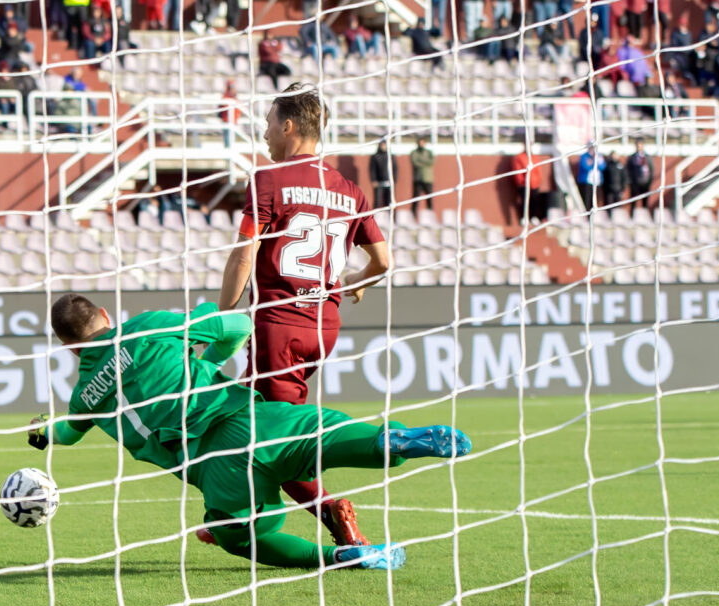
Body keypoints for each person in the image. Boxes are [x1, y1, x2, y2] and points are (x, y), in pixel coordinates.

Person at [30, 294, 473, 570]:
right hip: (246, 417)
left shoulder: (85, 397)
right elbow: (238, 325)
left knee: (240, 537)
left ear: (67, 346)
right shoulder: (149, 327)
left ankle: (341, 556)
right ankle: (392, 440)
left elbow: (68, 433)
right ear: (105, 314)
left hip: (213, 467)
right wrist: (212, 359)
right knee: (325, 435)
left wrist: (45, 432)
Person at [218, 83, 391, 548]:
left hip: (279, 324)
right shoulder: (348, 190)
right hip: (323, 325)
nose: (265, 131)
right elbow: (383, 260)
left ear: (290, 126)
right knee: (243, 420)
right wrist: (348, 287)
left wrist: (219, 319)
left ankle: (334, 512)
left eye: (271, 122)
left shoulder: (267, 181)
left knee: (273, 439)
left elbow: (242, 256)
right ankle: (236, 516)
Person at [512, 146, 542, 223]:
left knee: (534, 201)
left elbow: (538, 170)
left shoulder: (534, 157)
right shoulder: (519, 157)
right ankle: (524, 217)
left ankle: (534, 217)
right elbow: (518, 171)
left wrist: (537, 181)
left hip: (534, 184)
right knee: (525, 201)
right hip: (524, 184)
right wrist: (521, 182)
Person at [626, 139, 654, 210]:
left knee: (645, 201)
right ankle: (632, 216)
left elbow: (651, 169)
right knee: (633, 201)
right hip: (635, 182)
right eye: (638, 145)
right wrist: (631, 181)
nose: (639, 147)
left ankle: (645, 216)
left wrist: (649, 181)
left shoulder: (647, 157)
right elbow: (628, 170)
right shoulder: (632, 157)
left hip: (645, 182)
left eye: (640, 145)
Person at [577, 144, 606, 210]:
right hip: (587, 181)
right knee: (587, 198)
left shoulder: (599, 156)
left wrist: (593, 162)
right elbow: (585, 167)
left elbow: (602, 166)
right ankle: (587, 213)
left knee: (596, 198)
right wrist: (593, 163)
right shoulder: (584, 156)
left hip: (597, 181)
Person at [369, 140, 396, 209]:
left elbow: (395, 168)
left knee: (389, 202)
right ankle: (374, 217)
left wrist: (394, 180)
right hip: (379, 183)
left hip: (389, 182)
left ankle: (392, 218)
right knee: (377, 201)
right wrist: (373, 180)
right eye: (382, 145)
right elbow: (372, 169)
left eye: (384, 145)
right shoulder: (375, 156)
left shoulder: (391, 156)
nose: (383, 146)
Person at [410, 138, 435, 211]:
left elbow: (432, 161)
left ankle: (430, 214)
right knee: (415, 199)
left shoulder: (429, 152)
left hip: (428, 179)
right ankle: (413, 215)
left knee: (429, 198)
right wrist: (425, 162)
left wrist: (421, 161)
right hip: (417, 179)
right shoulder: (414, 153)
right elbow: (415, 162)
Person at [219, 79, 240, 147]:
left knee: (232, 140)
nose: (232, 89)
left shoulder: (235, 98)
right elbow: (222, 108)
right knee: (227, 140)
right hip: (227, 121)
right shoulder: (225, 98)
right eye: (230, 87)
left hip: (234, 121)